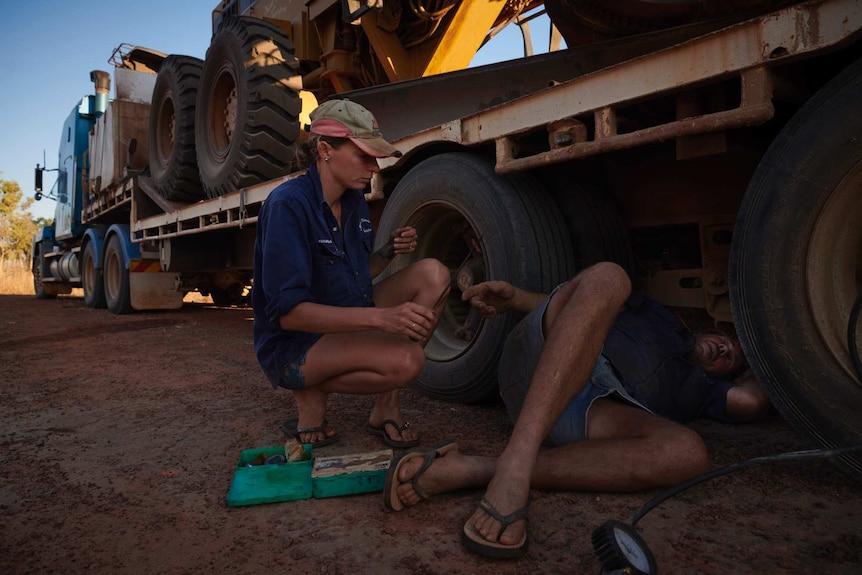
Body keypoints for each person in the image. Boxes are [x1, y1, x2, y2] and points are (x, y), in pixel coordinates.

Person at [383, 262, 772, 558]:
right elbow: (586, 299)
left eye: (730, 359)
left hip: (588, 407)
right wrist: (517, 299)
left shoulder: (704, 391)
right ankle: (515, 467)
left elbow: (754, 400)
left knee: (688, 452)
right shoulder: (662, 318)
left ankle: (479, 468)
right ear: (711, 329)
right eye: (727, 341)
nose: (724, 350)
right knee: (608, 276)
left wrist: (756, 356)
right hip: (541, 361)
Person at [252, 99, 450, 449]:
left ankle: (385, 407)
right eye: (364, 156)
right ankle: (307, 388)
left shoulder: (354, 197)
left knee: (434, 274)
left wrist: (387, 252)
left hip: (344, 318)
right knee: (407, 361)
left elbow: (356, 274)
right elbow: (289, 315)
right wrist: (383, 319)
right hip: (298, 344)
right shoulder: (287, 205)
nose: (374, 167)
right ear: (325, 150)